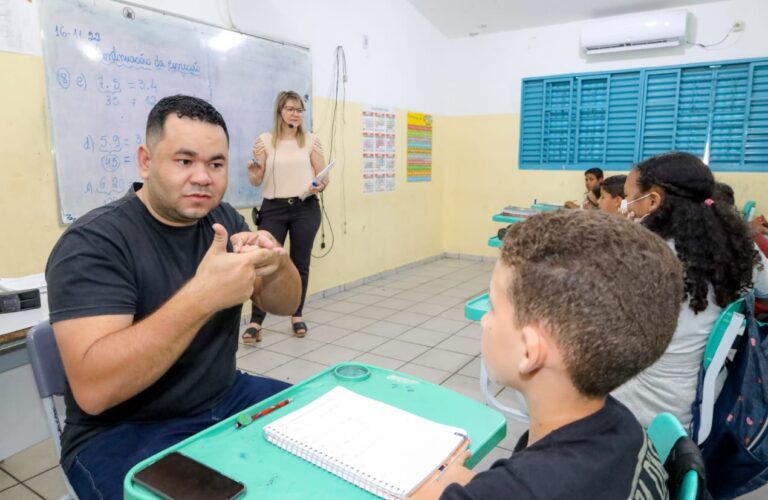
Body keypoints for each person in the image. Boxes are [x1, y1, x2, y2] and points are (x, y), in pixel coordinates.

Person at [46, 95, 302, 499]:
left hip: (225, 398)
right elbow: (95, 393)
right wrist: (202, 298)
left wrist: (277, 263)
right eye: (185, 161)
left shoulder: (222, 220)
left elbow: (286, 305)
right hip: (125, 431)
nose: (203, 177)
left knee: (329, 436)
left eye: (216, 164)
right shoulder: (94, 243)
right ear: (146, 161)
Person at [414, 209, 682, 499]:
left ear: (530, 351)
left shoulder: (517, 489)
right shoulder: (625, 425)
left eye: (492, 308)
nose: (484, 321)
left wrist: (435, 484)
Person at [613, 152, 768, 428]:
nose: (625, 207)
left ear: (653, 201)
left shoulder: (649, 257)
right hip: (707, 395)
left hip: (646, 402)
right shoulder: (740, 245)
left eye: (627, 198)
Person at [244, 90, 328, 342]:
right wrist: (253, 171)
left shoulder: (311, 141)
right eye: (290, 109)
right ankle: (256, 321)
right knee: (265, 263)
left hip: (305, 207)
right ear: (280, 111)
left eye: (299, 109)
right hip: (273, 209)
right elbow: (256, 180)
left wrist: (318, 185)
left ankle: (296, 314)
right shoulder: (264, 141)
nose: (295, 114)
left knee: (300, 264)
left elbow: (324, 176)